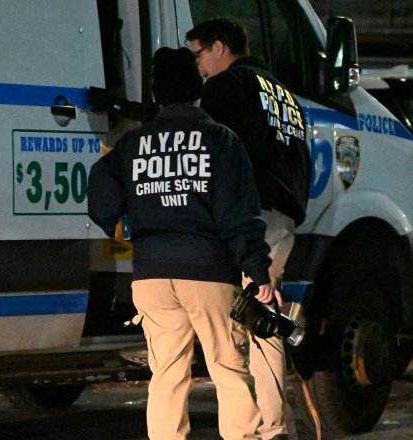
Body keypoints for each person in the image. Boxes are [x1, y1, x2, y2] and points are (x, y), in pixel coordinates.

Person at [88, 46, 276, 440]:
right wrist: (259, 271)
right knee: (230, 372)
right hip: (209, 273)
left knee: (167, 375)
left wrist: (118, 224)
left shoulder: (133, 143)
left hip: (151, 276)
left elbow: (101, 196)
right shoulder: (221, 140)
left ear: (158, 92)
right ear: (197, 88)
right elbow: (238, 215)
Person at [186, 17, 311, 440]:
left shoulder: (227, 86)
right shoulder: (282, 93)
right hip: (282, 218)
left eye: (198, 53)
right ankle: (274, 425)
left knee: (242, 326)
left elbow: (203, 142)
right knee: (263, 317)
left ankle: (256, 429)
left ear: (220, 48)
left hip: (247, 218)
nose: (198, 66)